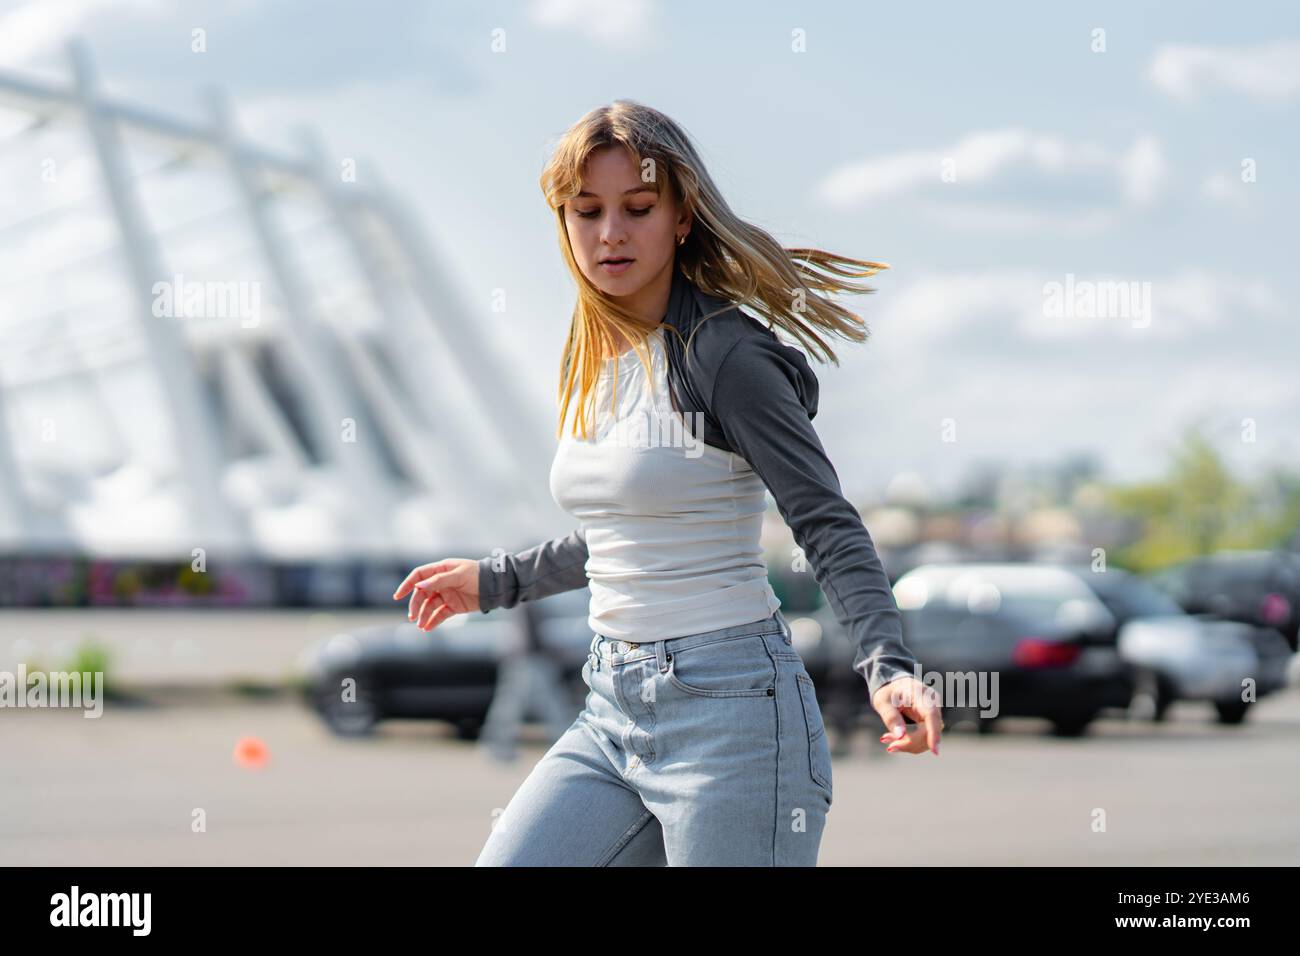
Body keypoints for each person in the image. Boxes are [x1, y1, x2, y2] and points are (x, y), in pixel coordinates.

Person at [393, 100, 942, 866]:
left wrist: (888, 666)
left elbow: (824, 519)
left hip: (734, 714)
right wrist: (495, 581)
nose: (609, 233)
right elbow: (625, 533)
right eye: (587, 211)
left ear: (682, 215)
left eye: (637, 208)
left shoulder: (726, 354)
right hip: (612, 706)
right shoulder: (602, 362)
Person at [478, 600, 578, 763]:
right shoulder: (524, 597)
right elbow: (528, 632)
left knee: (512, 705)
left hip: (525, 657)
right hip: (528, 658)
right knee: (546, 706)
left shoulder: (522, 597)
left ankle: (498, 747)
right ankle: (499, 747)